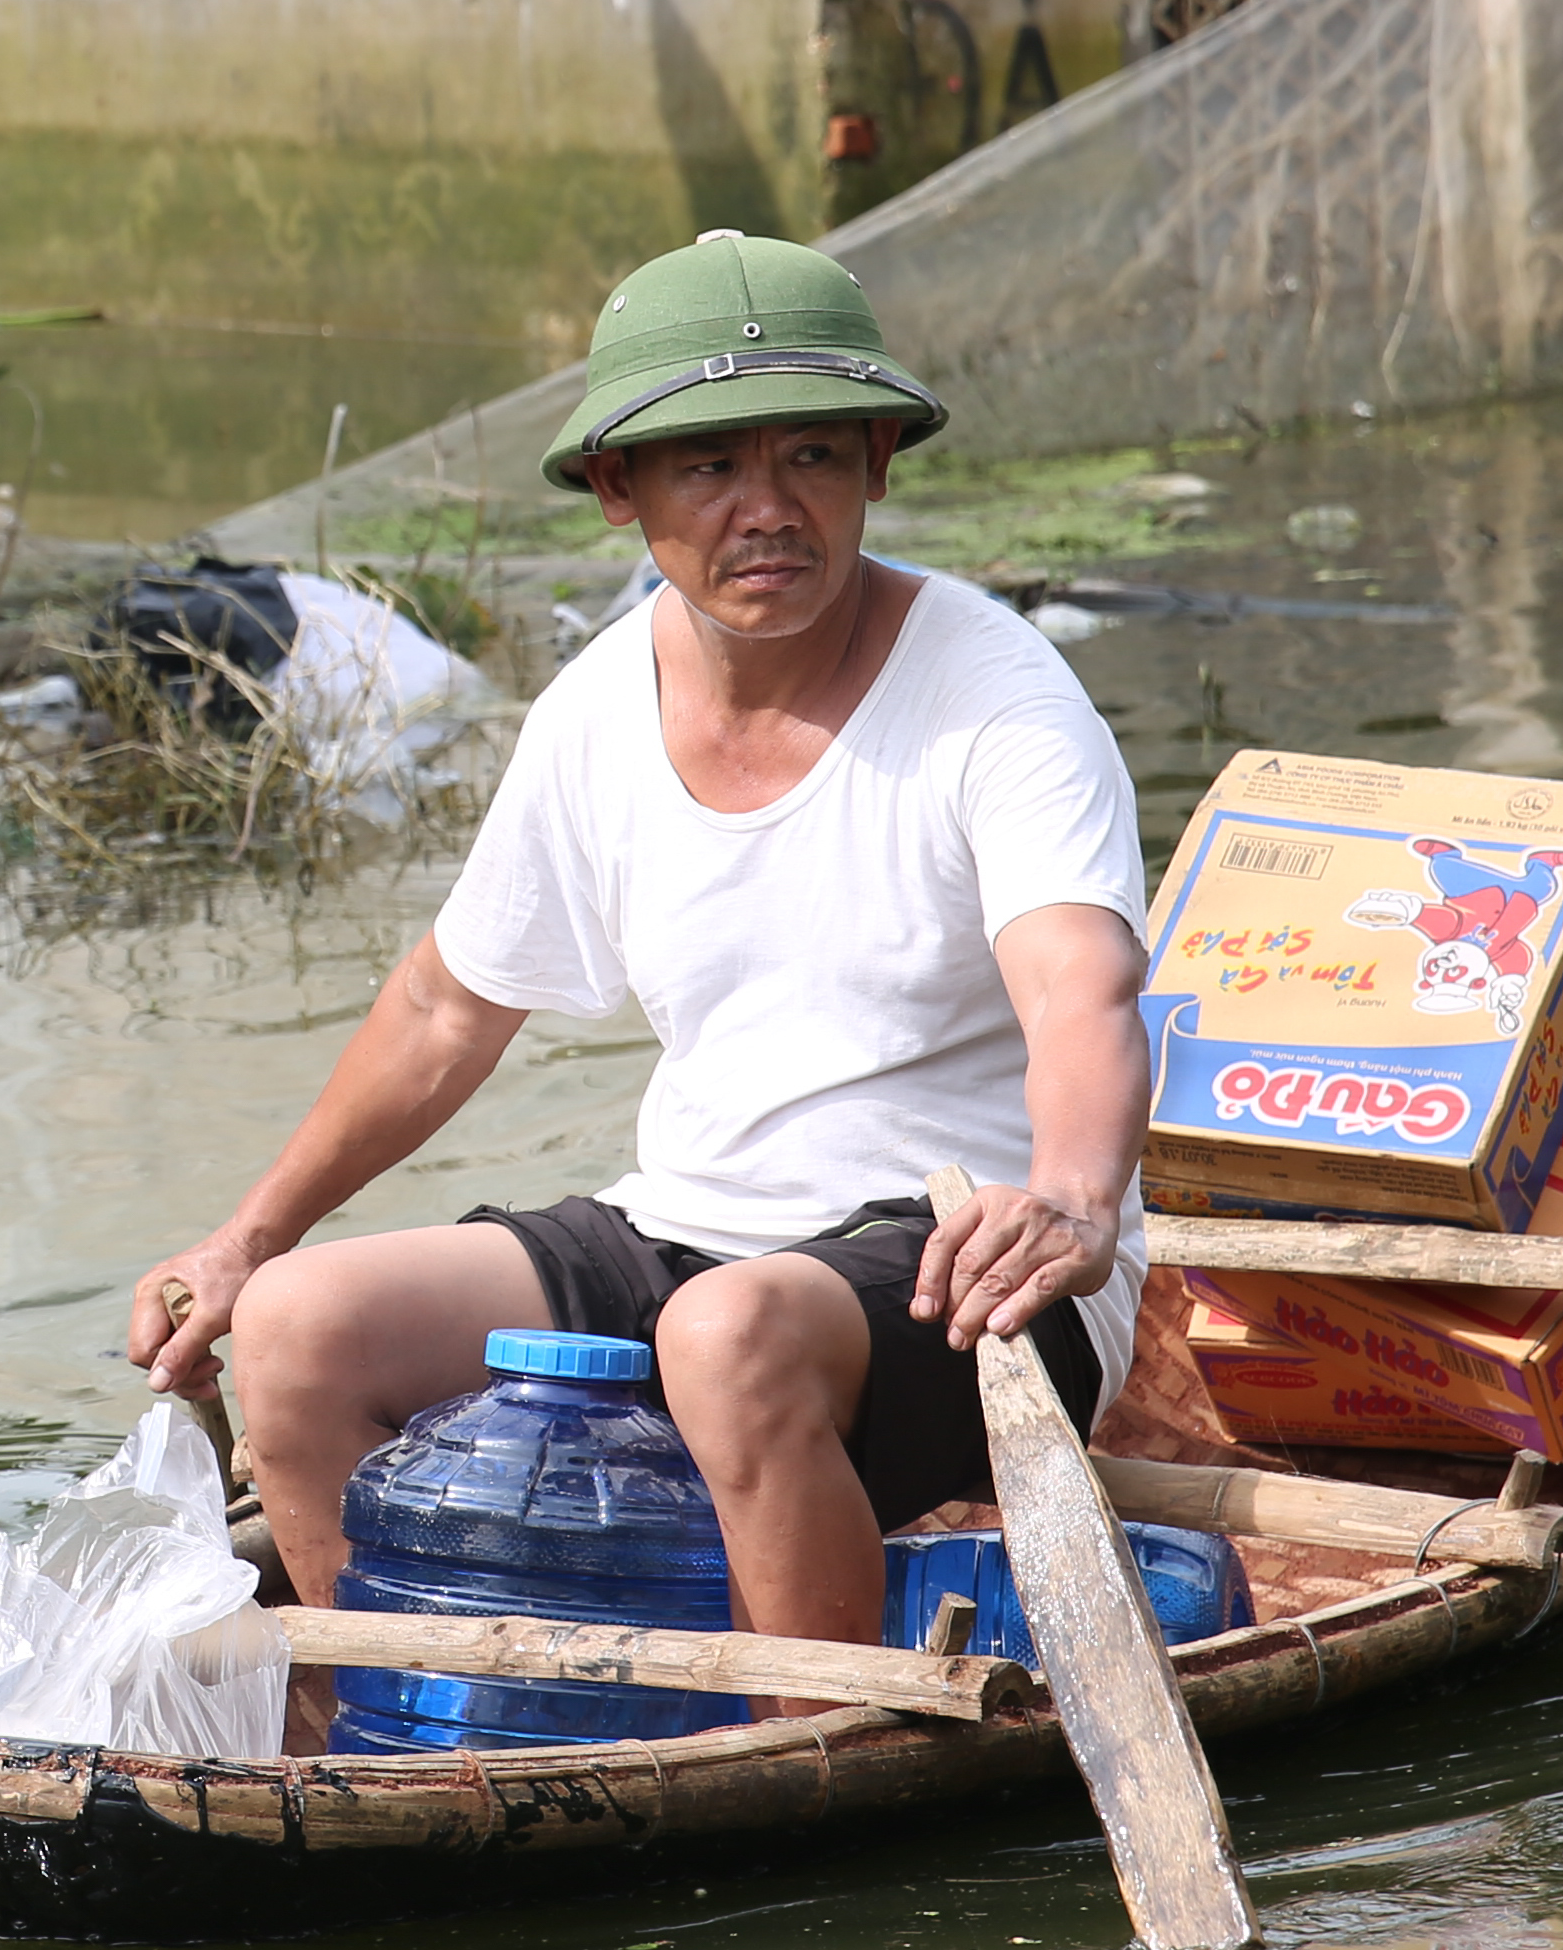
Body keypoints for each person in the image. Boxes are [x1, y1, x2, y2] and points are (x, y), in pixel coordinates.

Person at [125, 231, 1152, 1663]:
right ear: (621, 489)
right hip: (689, 1228)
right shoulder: (594, 711)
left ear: (876, 462)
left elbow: (1079, 984)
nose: (766, 510)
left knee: (729, 1338)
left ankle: (814, 1746)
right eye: (707, 468)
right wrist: (246, 1239)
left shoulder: (995, 697)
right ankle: (391, 1719)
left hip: (967, 1263)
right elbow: (441, 1007)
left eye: (808, 457)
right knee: (299, 1326)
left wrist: (1072, 1200)